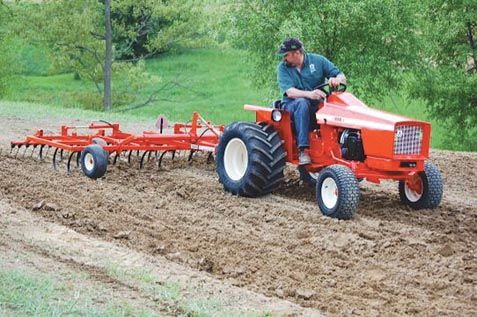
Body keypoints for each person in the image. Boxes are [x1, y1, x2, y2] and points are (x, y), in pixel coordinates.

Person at [276, 38, 347, 165]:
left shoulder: (318, 61)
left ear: (296, 53)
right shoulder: (283, 68)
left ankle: (341, 147)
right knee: (302, 103)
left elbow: (341, 75)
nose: (284, 58)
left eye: (286, 55)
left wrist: (337, 79)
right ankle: (303, 149)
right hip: (292, 105)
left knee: (337, 105)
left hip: (316, 104)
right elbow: (290, 92)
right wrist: (310, 94)